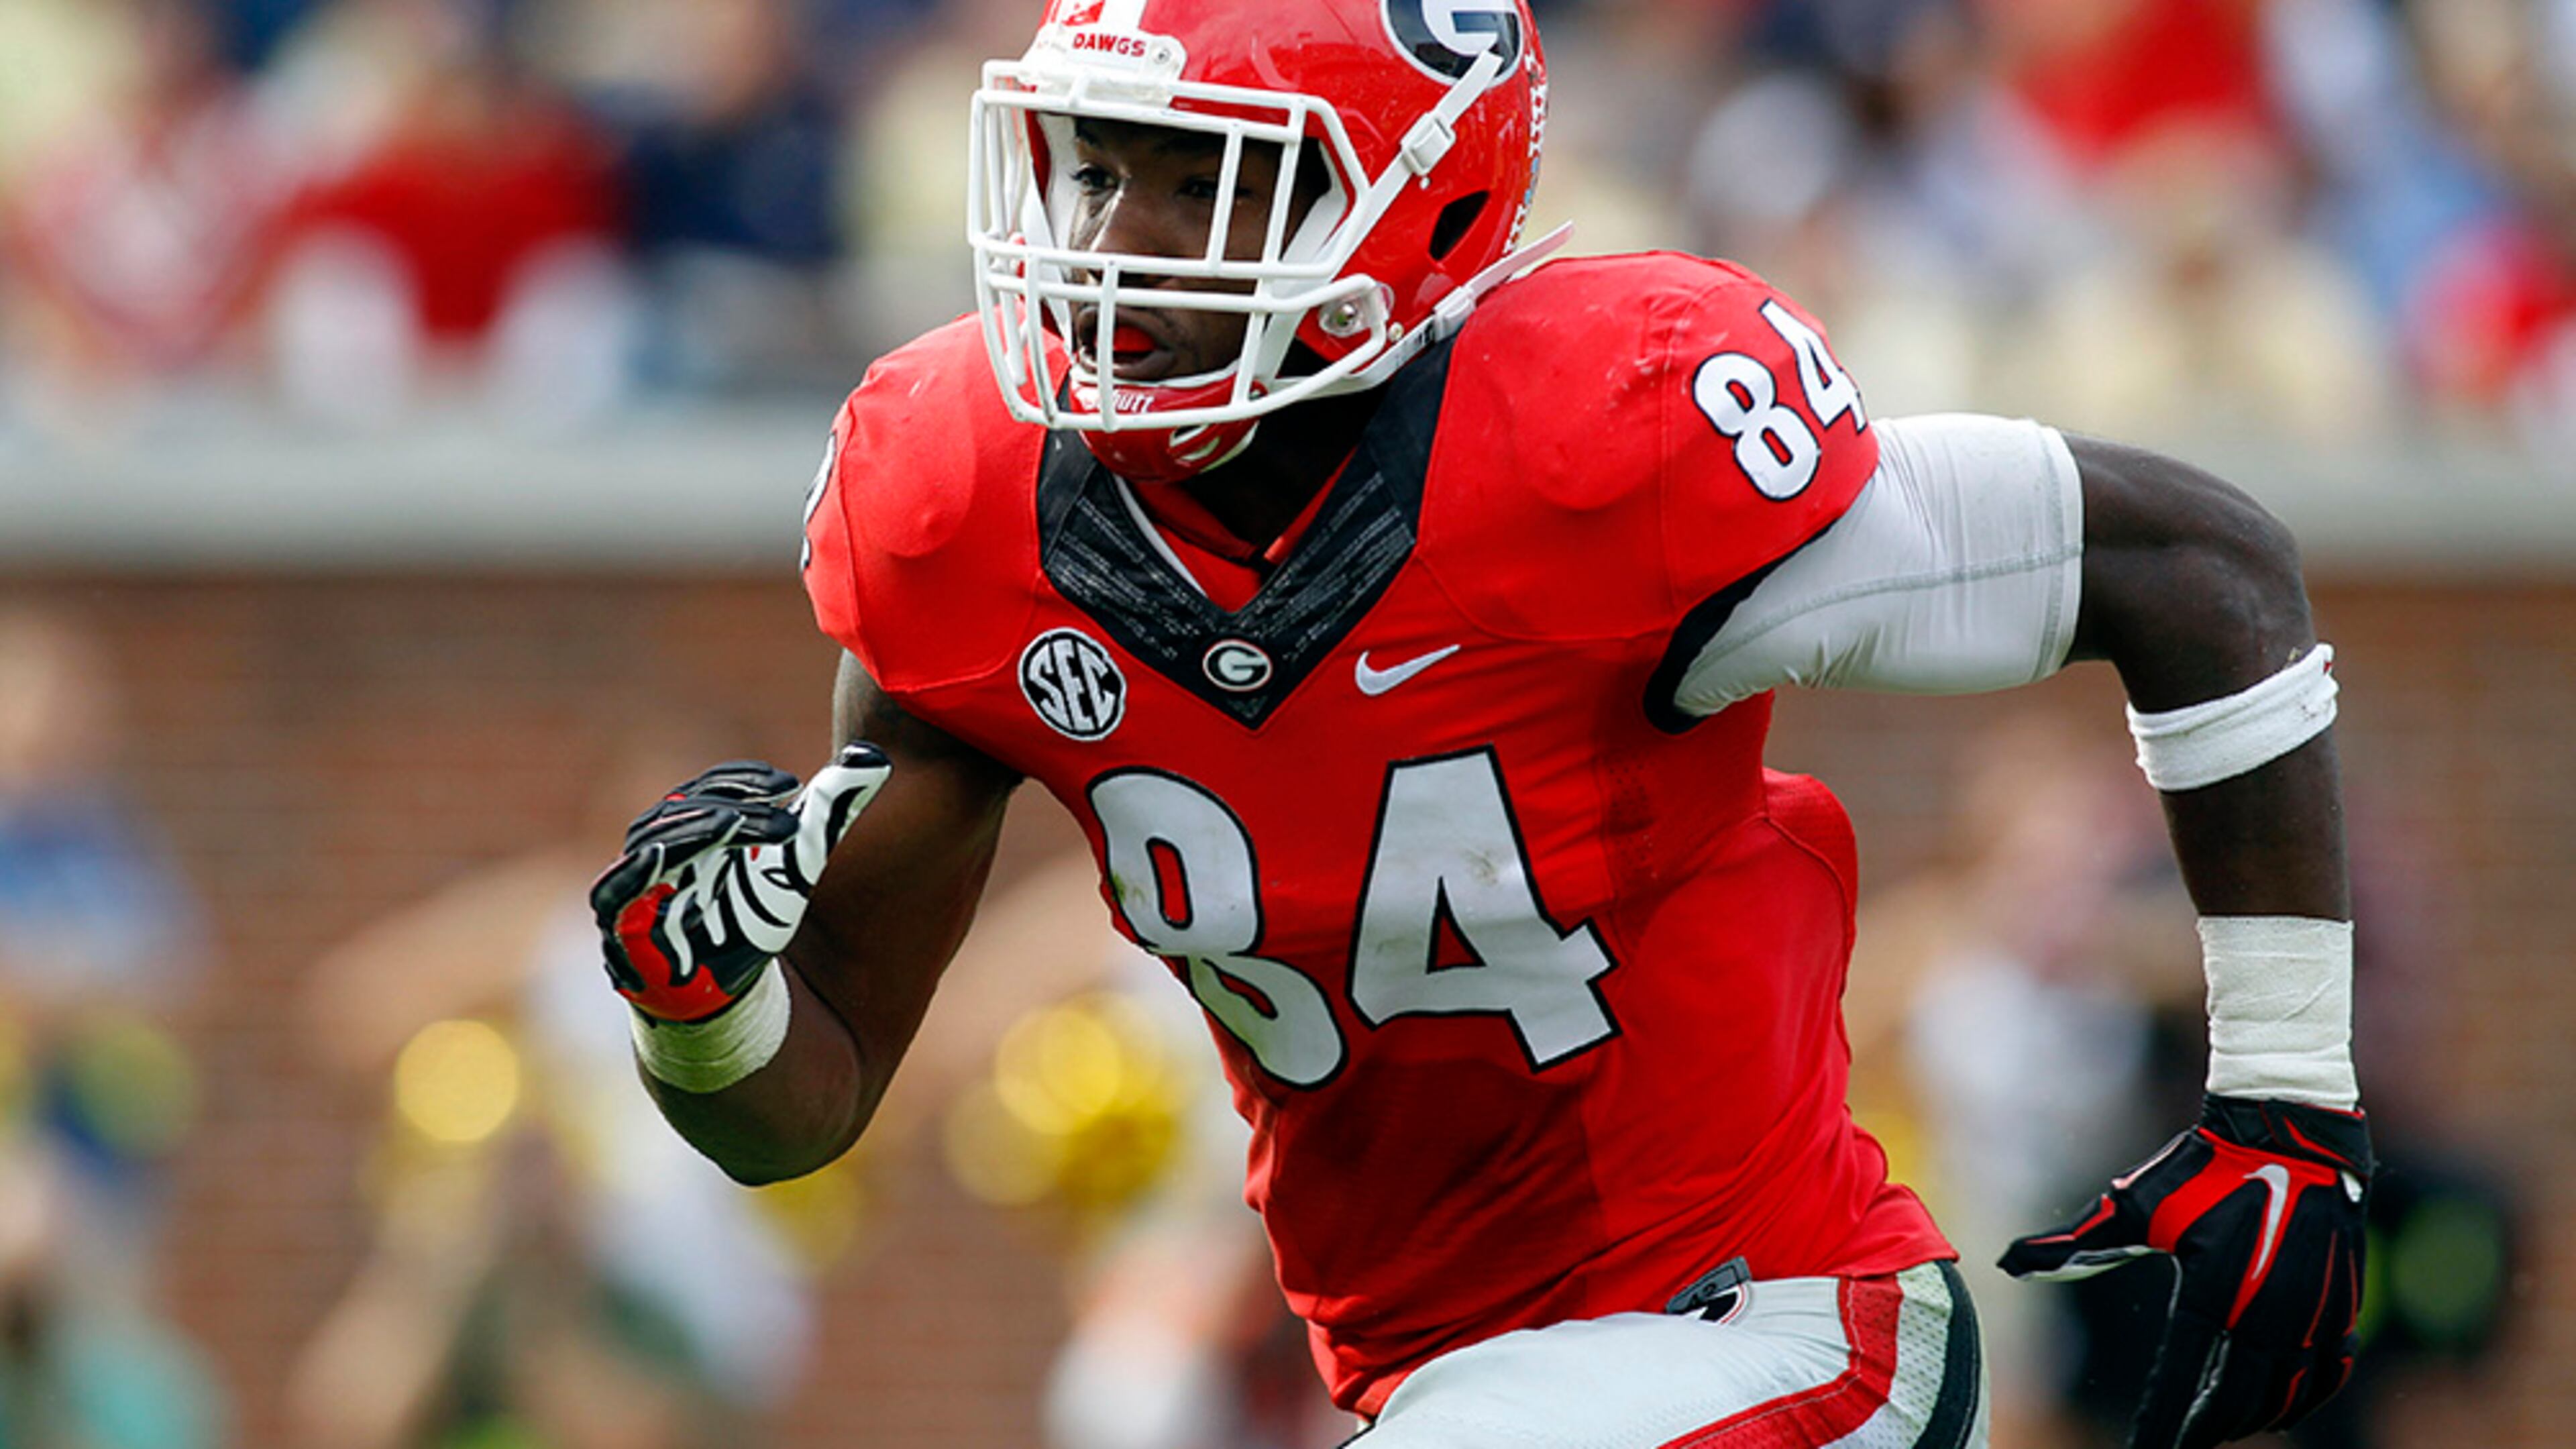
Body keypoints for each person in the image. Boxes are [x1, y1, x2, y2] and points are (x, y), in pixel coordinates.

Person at [585, 3, 2371, 1446]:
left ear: (1413, 206)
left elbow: (2198, 567)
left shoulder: (1611, 443)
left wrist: (2288, 1101)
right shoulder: (956, 510)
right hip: (1426, 1377)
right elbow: (800, 1108)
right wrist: (696, 1003)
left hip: (1769, 1330)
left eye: (1197, 186)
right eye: (1094, 170)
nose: (1107, 250)